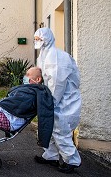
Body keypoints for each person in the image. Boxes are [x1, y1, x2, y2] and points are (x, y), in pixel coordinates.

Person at [33, 27, 82, 173]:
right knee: (50, 128)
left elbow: (57, 84)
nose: (37, 42)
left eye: (39, 39)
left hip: (65, 102)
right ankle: (51, 156)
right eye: (35, 39)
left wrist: (49, 102)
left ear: (47, 39)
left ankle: (72, 161)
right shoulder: (43, 55)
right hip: (53, 100)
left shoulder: (57, 57)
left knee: (61, 131)